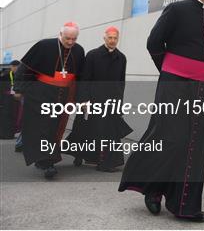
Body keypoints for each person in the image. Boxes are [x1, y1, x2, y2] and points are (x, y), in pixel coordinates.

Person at [119, 0, 204, 222]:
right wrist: (171, 73)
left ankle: (185, 205)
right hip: (174, 85)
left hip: (203, 87)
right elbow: (153, 43)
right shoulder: (176, 10)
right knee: (171, 138)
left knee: (196, 143)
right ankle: (153, 189)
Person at [13, 22, 85, 178]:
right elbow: (24, 68)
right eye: (68, 38)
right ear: (60, 34)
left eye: (74, 39)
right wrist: (18, 88)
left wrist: (81, 99)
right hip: (41, 94)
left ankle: (45, 160)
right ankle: (46, 163)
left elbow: (80, 78)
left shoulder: (78, 51)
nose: (71, 42)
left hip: (64, 96)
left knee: (55, 129)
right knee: (41, 128)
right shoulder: (44, 45)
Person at [65, 26, 132, 172]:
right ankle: (79, 154)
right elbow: (84, 79)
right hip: (93, 100)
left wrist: (119, 104)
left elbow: (121, 83)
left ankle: (106, 162)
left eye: (115, 38)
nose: (112, 40)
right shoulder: (93, 55)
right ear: (104, 38)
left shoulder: (122, 58)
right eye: (110, 37)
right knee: (84, 130)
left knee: (108, 132)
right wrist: (83, 100)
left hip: (111, 102)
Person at [0, 60, 21, 139]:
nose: (16, 69)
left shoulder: (17, 75)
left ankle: (10, 134)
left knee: (13, 116)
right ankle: (5, 135)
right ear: (13, 66)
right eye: (15, 67)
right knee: (6, 117)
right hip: (6, 99)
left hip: (13, 100)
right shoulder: (6, 75)